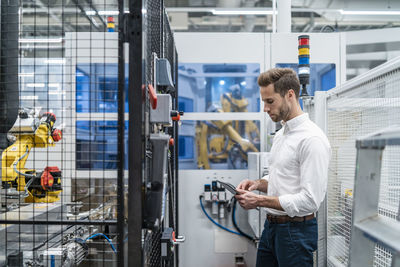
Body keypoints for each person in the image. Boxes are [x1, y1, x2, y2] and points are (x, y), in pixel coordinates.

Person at [235, 68, 331, 267]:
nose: (265, 108)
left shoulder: (311, 139)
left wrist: (260, 201)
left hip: (296, 233)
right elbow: (279, 175)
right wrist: (258, 184)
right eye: (264, 102)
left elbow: (310, 201)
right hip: (271, 228)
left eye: (270, 101)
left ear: (290, 95)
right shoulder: (281, 135)